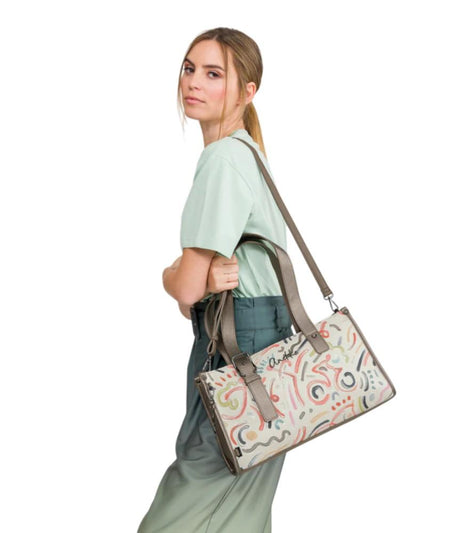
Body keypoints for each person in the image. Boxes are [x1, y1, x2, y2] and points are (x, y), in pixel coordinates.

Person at [137, 27, 292, 533]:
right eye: (189, 69)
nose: (193, 83)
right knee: (241, 506)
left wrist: (173, 276)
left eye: (213, 73)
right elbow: (199, 288)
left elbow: (185, 289)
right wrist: (202, 281)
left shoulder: (223, 158)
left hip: (238, 345)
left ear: (248, 91)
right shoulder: (248, 152)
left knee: (192, 493)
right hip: (263, 339)